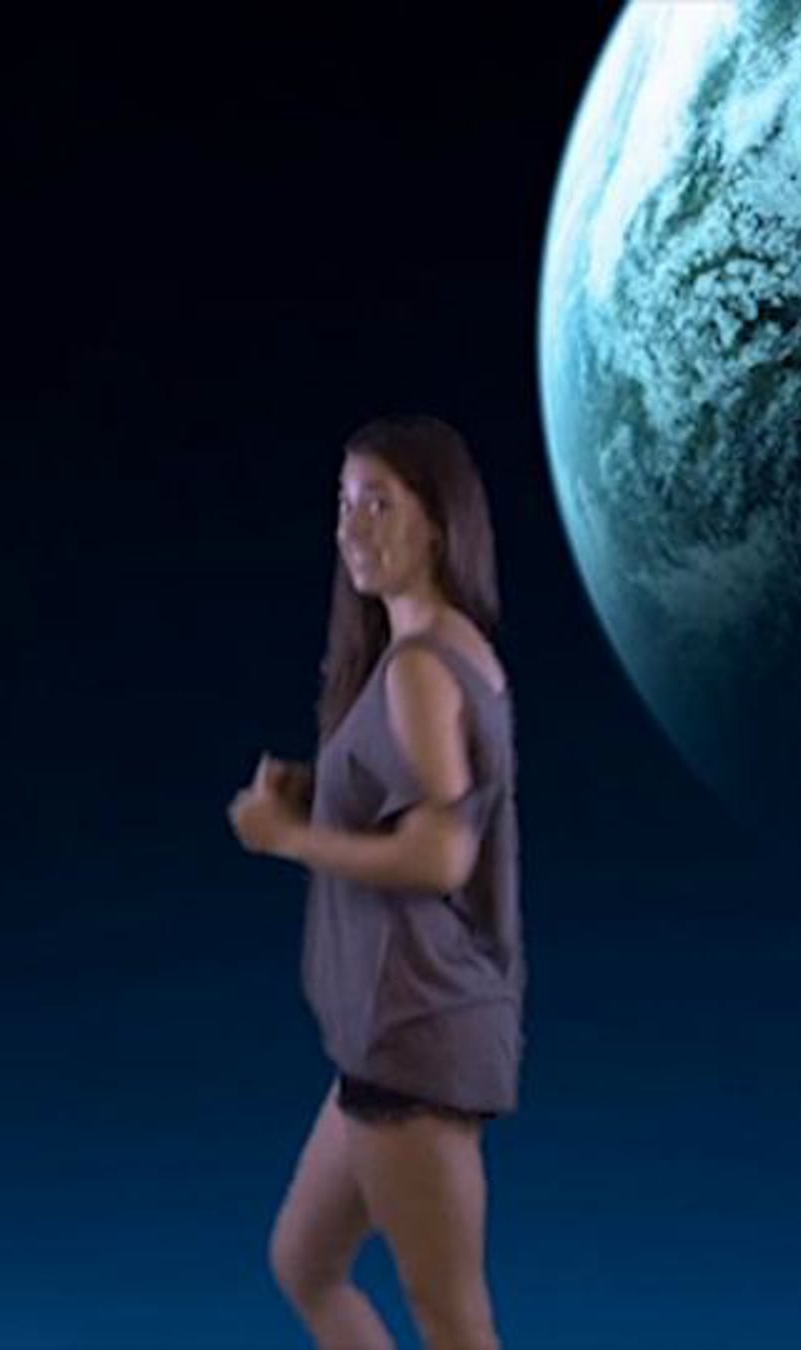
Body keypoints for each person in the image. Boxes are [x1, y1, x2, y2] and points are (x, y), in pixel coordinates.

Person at [226, 413, 525, 1350]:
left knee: (452, 1319)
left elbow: (442, 857)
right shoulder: (435, 650)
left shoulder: (420, 670)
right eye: (344, 502)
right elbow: (426, 804)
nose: (352, 526)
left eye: (379, 503)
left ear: (437, 523)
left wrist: (288, 838)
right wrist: (322, 797)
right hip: (388, 1034)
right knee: (304, 1261)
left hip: (415, 1034)